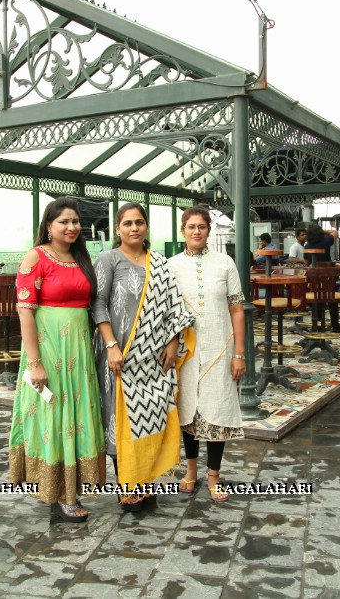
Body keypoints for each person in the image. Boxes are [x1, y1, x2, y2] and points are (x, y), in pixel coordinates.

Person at [92, 203, 195, 512]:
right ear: (118, 229)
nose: (133, 228)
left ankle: (146, 481)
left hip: (153, 357)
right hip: (118, 357)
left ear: (146, 226)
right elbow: (97, 303)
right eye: (127, 223)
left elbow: (174, 308)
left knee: (152, 415)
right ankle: (128, 486)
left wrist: (173, 342)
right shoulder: (108, 259)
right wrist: (111, 344)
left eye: (139, 222)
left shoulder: (160, 264)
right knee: (118, 417)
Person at [9, 197, 106, 523]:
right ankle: (59, 493)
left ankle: (73, 488)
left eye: (76, 221)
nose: (71, 227)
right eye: (64, 221)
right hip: (49, 352)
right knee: (54, 418)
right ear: (48, 226)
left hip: (78, 353)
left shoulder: (80, 258)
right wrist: (35, 363)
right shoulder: (35, 257)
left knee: (77, 417)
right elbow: (25, 312)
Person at [167, 206, 246, 502]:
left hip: (220, 348)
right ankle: (190, 471)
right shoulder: (171, 265)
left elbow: (237, 309)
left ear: (209, 231)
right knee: (188, 411)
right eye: (191, 227)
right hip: (186, 352)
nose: (196, 231)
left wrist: (239, 353)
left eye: (202, 226)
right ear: (183, 231)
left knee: (218, 409)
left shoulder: (225, 263)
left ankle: (214, 475)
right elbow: (168, 311)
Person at [304, 222, 340, 333]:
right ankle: (335, 326)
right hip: (328, 277)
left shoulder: (307, 246)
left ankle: (319, 326)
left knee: (318, 300)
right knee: (332, 300)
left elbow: (307, 263)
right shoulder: (326, 241)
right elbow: (335, 232)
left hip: (315, 279)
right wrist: (323, 231)